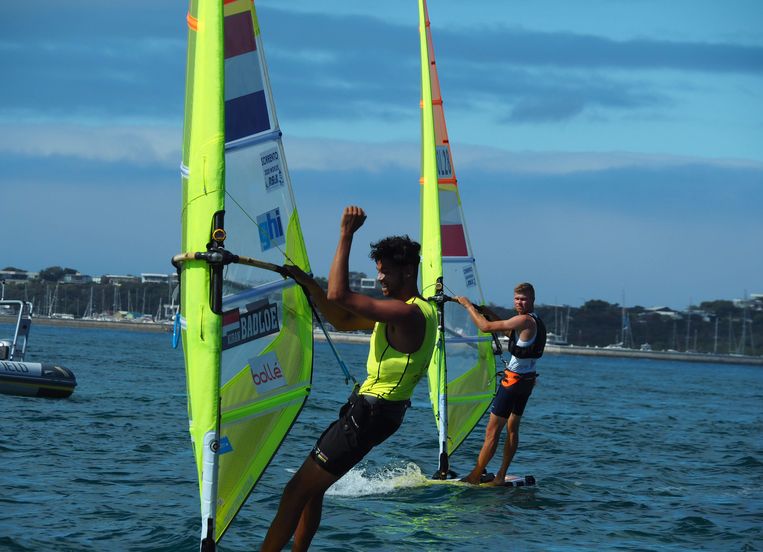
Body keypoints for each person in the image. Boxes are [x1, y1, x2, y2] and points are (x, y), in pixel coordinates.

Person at [261, 206, 437, 551]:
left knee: (295, 490)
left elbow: (339, 296)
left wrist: (346, 234)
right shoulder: (405, 313)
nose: (380, 279)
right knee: (313, 492)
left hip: (369, 415)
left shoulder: (407, 313)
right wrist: (310, 284)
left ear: (407, 271)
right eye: (379, 272)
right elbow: (341, 319)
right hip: (376, 415)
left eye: (386, 273)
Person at [454, 282, 546, 486]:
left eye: (523, 299)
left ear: (532, 300)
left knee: (492, 432)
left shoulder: (524, 320)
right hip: (527, 382)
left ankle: (475, 475)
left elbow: (485, 327)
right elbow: (509, 333)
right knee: (512, 428)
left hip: (513, 383)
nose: (519, 303)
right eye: (516, 299)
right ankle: (501, 476)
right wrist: (487, 311)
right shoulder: (534, 321)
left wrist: (467, 305)